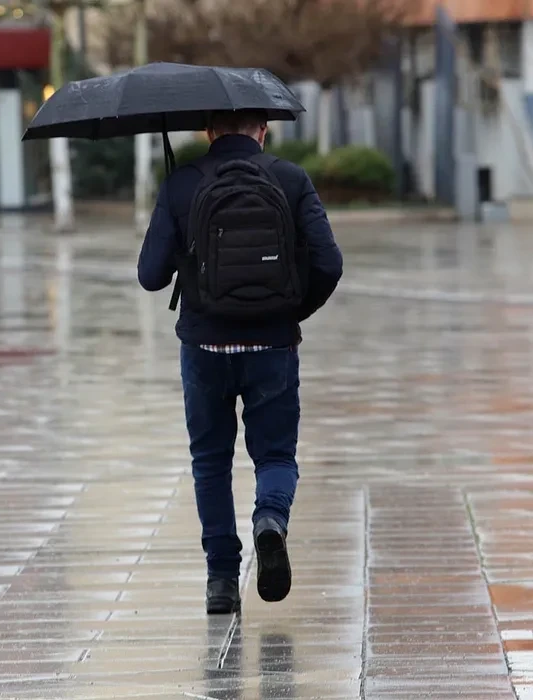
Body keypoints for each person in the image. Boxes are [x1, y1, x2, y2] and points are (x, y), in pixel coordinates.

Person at [137, 110, 343, 615]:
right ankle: (270, 521)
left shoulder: (183, 184)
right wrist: (291, 311)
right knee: (275, 457)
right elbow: (329, 262)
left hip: (204, 349)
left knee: (211, 463)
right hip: (272, 347)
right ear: (263, 130)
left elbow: (150, 276)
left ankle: (222, 581)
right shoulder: (291, 179)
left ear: (209, 132)